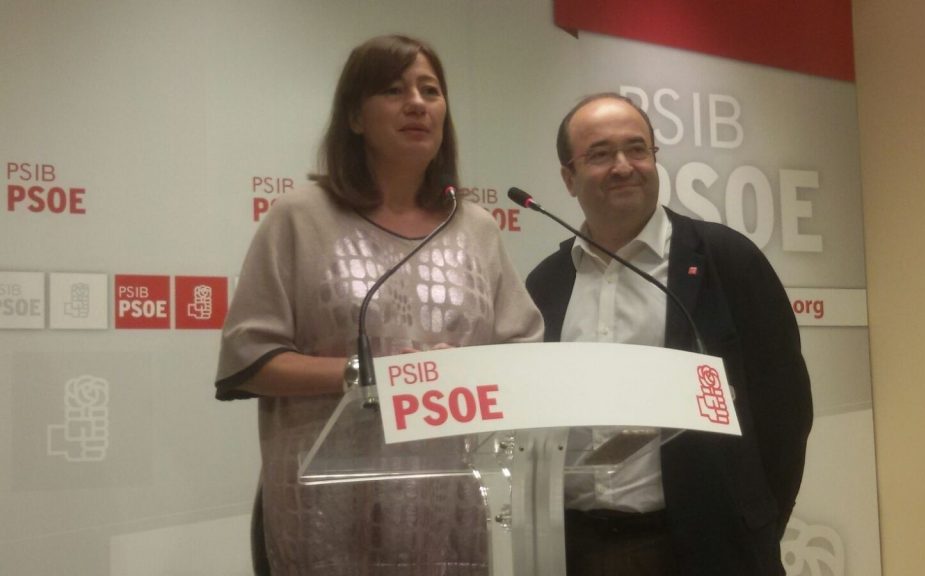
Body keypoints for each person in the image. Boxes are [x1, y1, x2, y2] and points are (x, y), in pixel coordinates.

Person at [215, 35, 543, 575]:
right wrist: (370, 375)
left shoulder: (475, 227)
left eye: (430, 91)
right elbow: (249, 360)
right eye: (393, 90)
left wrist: (465, 372)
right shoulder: (300, 217)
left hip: (447, 508)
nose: (416, 103)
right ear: (355, 117)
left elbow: (522, 353)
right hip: (326, 511)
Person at [525, 93, 813, 575]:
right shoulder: (547, 284)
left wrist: (753, 527)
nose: (623, 166)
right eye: (600, 154)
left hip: (705, 552)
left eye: (637, 149)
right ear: (568, 178)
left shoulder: (727, 261)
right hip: (575, 551)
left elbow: (784, 412)